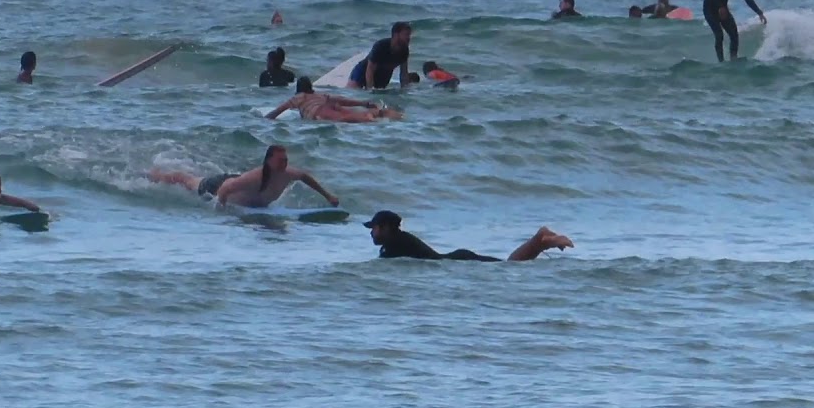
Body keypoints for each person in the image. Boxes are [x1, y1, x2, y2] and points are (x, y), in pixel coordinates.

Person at [148, 145, 339, 208]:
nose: (285, 164)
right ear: (269, 161)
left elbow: (305, 177)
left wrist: (328, 195)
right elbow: (224, 190)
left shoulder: (288, 174)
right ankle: (156, 175)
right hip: (219, 185)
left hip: (237, 185)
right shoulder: (253, 178)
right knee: (188, 181)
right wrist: (220, 209)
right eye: (280, 160)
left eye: (286, 160)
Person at [364, 210, 573, 262]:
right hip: (457, 258)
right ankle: (539, 240)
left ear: (385, 227)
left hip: (457, 262)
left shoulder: (391, 245)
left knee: (511, 266)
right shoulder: (402, 239)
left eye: (374, 228)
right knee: (507, 266)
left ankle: (540, 241)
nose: (371, 233)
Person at [265, 76, 403, 123]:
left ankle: (370, 117)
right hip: (330, 105)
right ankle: (389, 114)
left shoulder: (299, 97)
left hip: (320, 111)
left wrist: (264, 119)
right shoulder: (319, 95)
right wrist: (364, 103)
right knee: (350, 116)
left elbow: (278, 111)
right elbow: (342, 100)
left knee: (347, 119)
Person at [347, 22, 412, 89]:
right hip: (363, 72)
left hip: (382, 77)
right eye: (406, 35)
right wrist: (369, 90)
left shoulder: (404, 50)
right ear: (396, 35)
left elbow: (404, 74)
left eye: (409, 35)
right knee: (353, 92)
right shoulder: (381, 46)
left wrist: (404, 91)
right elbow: (370, 69)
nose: (409, 38)